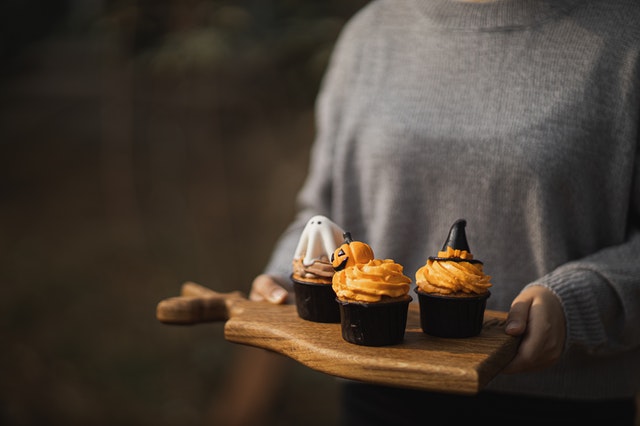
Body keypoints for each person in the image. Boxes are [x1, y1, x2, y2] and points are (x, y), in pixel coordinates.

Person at [248, 0, 640, 424]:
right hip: (380, 392)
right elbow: (324, 209)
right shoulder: (372, 31)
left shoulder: (626, 32)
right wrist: (290, 272)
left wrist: (582, 300)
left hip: (560, 401)